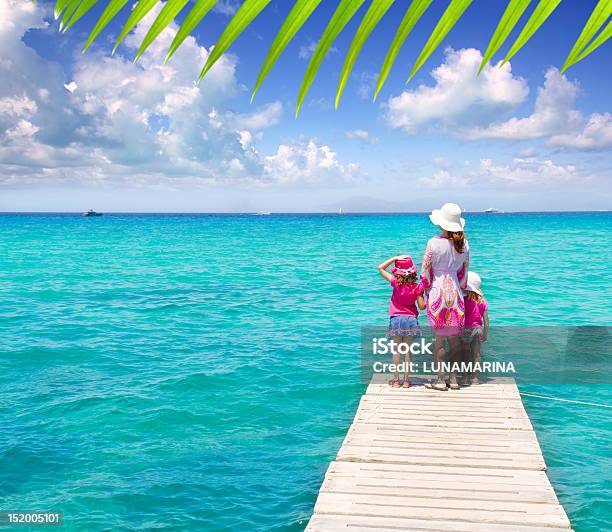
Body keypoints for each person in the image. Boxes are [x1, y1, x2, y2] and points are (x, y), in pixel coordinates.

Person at [420, 203, 469, 391]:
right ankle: (454, 379)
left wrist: (425, 292)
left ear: (442, 224)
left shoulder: (433, 242)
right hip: (456, 295)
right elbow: (464, 276)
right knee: (454, 340)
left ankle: (440, 380)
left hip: (437, 293)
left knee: (439, 340)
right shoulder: (464, 243)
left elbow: (425, 273)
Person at [378, 255, 426, 388]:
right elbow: (422, 307)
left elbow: (380, 268)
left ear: (397, 271)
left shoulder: (395, 282)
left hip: (396, 319)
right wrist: (423, 292)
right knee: (408, 351)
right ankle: (406, 381)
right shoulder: (417, 287)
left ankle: (396, 380)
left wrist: (395, 258)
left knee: (397, 351)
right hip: (410, 320)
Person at [461, 271, 489, 385]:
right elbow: (486, 322)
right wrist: (485, 333)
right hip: (478, 329)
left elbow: (461, 316)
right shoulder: (482, 301)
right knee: (476, 354)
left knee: (465, 354)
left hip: (466, 330)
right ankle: (475, 379)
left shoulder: (464, 300)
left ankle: (464, 378)